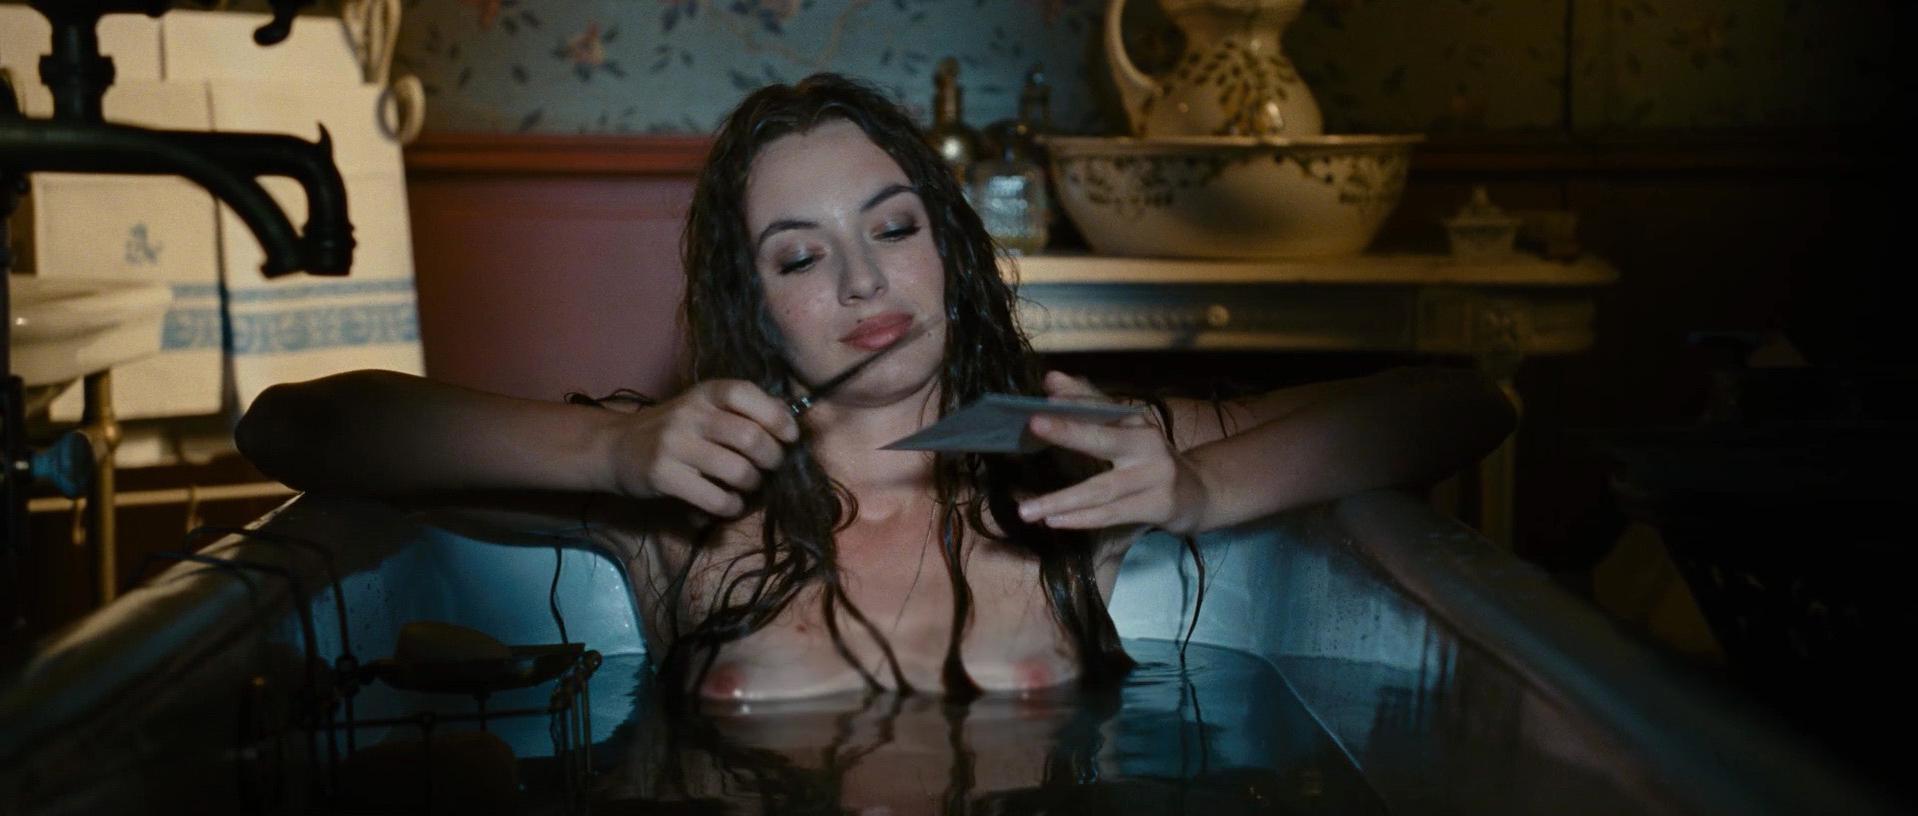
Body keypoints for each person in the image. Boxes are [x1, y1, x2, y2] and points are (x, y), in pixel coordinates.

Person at [236, 73, 1515, 704]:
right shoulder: (677, 490)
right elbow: (296, 426)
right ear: (753, 307)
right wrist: (609, 454)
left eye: (893, 228)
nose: (861, 281)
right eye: (800, 257)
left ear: (946, 248)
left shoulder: (1060, 452)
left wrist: (1195, 489)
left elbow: (1457, 404)